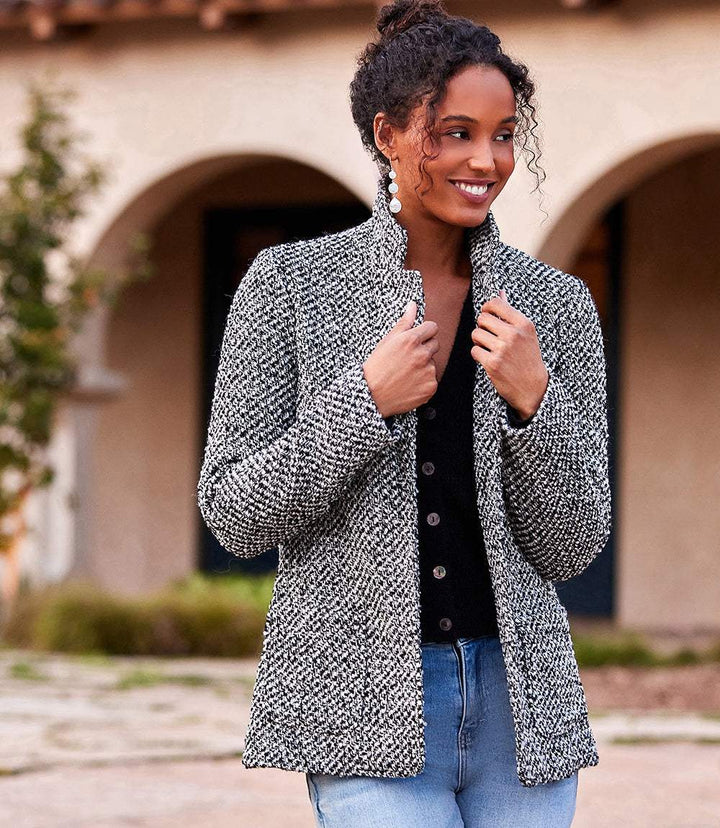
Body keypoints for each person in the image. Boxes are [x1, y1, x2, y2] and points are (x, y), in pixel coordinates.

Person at [197, 0, 611, 825]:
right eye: (455, 133)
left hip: (521, 714)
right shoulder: (290, 286)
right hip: (360, 703)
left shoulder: (556, 306)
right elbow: (233, 511)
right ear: (388, 135)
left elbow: (572, 544)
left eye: (503, 135)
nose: (486, 159)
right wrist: (364, 403)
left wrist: (535, 404)